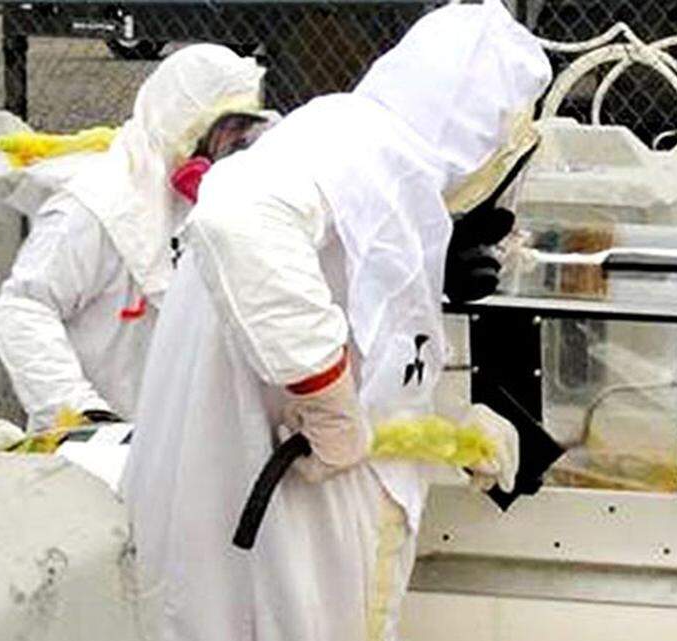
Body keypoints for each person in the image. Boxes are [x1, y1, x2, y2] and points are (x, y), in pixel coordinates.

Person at [121, 1, 551, 639]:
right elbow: (237, 219)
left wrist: (447, 431)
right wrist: (325, 402)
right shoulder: (359, 148)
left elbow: (366, 349)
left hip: (288, 535)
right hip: (264, 538)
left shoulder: (380, 161)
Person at [0, 44, 266, 432]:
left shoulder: (227, 204)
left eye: (241, 132)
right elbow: (23, 308)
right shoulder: (95, 207)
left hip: (183, 435)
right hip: (97, 443)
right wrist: (77, 412)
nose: (232, 146)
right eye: (223, 129)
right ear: (179, 122)